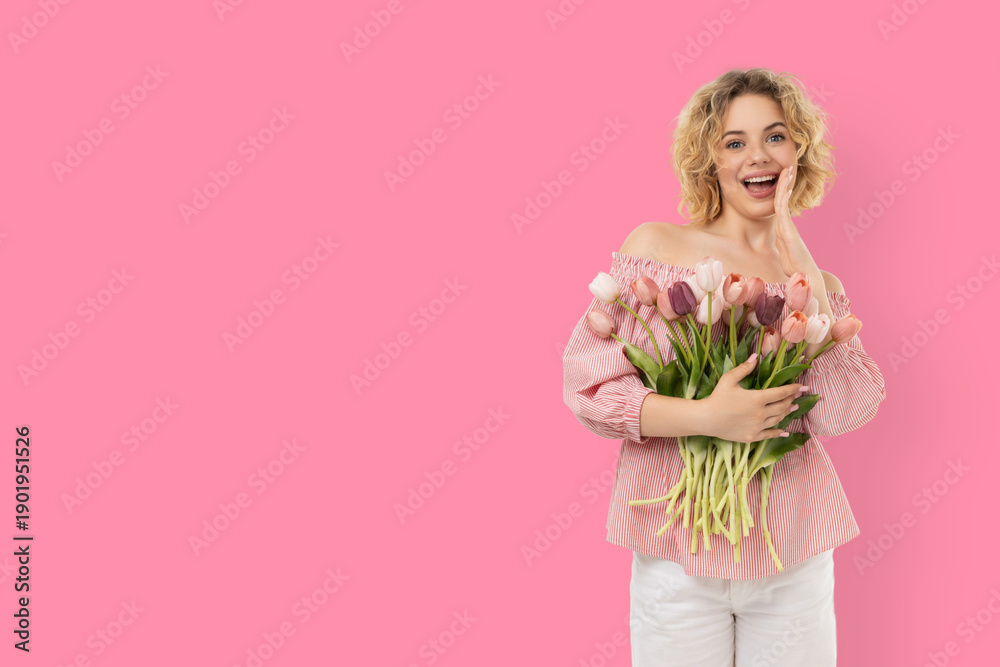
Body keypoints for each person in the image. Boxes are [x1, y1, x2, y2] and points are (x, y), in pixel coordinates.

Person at [561, 68, 886, 666]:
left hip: (792, 552)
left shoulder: (816, 283)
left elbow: (845, 411)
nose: (757, 156)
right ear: (710, 160)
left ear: (799, 149)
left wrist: (803, 266)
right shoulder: (657, 248)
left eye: (775, 136)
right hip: (676, 552)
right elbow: (589, 388)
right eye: (734, 142)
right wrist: (709, 417)